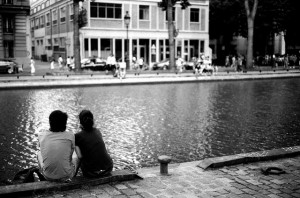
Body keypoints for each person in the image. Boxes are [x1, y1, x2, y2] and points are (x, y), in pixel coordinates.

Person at [37, 110, 80, 181]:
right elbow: (70, 157)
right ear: (64, 124)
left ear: (50, 122)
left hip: (48, 176)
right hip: (67, 175)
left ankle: (44, 175)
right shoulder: (70, 135)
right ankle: (73, 177)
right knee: (75, 154)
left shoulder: (41, 135)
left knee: (39, 153)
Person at [75, 110, 113, 178]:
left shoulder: (77, 136)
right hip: (108, 169)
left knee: (76, 153)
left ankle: (74, 177)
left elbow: (80, 156)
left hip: (92, 173)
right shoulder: (97, 131)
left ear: (80, 122)